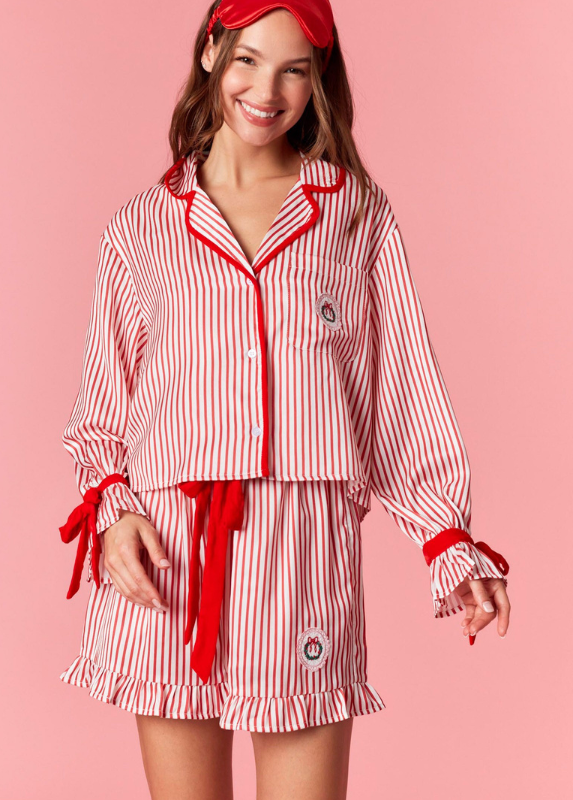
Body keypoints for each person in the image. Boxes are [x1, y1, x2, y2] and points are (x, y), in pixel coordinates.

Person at [57, 1, 512, 798]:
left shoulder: (355, 216)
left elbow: (401, 389)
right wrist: (113, 513)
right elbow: (102, 410)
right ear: (210, 54)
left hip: (303, 550)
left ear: (318, 81)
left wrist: (448, 538)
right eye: (247, 61)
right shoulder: (141, 228)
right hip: (167, 559)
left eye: (295, 70)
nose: (268, 89)